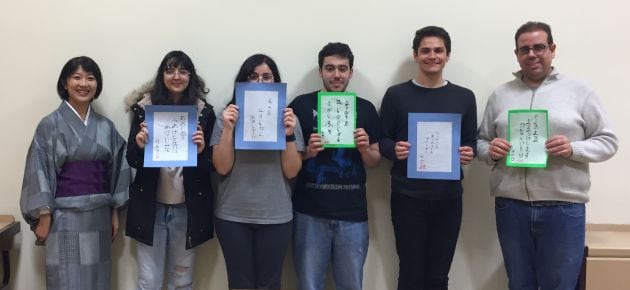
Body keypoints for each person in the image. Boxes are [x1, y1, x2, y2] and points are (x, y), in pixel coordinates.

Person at [477, 21, 618, 290]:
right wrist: (490, 151)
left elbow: (608, 141)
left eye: (539, 47)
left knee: (561, 285)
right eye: (524, 49)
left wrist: (573, 149)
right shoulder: (501, 94)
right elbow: (481, 141)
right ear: (516, 54)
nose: (531, 54)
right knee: (519, 284)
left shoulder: (580, 91)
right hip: (511, 206)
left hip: (563, 208)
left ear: (552, 49)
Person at [379, 26, 477, 290]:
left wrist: (469, 152)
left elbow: (470, 142)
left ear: (447, 55)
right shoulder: (396, 94)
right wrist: (394, 149)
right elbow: (382, 139)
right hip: (407, 197)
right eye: (425, 50)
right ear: (415, 55)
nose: (432, 56)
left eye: (438, 50)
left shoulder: (464, 97)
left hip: (448, 198)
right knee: (410, 272)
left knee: (438, 275)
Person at [20, 56, 130, 290]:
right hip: (64, 217)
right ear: (65, 83)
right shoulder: (49, 125)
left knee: (98, 277)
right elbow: (38, 168)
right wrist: (44, 215)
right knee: (66, 279)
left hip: (99, 215)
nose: (84, 84)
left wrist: (114, 212)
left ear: (97, 85)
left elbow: (118, 168)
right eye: (77, 77)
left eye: (90, 78)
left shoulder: (106, 126)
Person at [288, 42, 380, 290]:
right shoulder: (300, 105)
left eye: (342, 68)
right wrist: (307, 153)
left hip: (353, 214)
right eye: (330, 68)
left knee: (351, 285)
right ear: (320, 71)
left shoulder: (366, 109)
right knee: (308, 285)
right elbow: (287, 163)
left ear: (351, 72)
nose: (336, 75)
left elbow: (374, 161)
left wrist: (364, 148)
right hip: (309, 212)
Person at [211, 54, 305, 290]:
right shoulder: (227, 117)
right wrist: (229, 129)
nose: (260, 82)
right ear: (242, 82)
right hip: (233, 215)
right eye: (253, 77)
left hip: (276, 215)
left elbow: (292, 171)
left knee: (270, 283)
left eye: (267, 77)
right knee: (239, 283)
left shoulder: (288, 118)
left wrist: (289, 134)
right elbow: (221, 167)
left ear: (276, 82)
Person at [125, 50, 215, 290]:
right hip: (150, 207)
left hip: (187, 208)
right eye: (170, 70)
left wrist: (202, 151)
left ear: (191, 77)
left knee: (182, 281)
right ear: (161, 75)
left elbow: (211, 167)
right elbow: (131, 159)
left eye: (183, 71)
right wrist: (140, 145)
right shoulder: (144, 109)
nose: (177, 76)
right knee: (149, 281)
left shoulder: (204, 112)